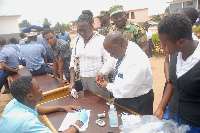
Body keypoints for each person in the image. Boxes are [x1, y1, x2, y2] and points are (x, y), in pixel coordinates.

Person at [153, 13, 200, 132]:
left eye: (164, 45)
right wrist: (160, 108)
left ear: (181, 41)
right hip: (173, 114)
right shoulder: (175, 54)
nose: (163, 49)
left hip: (194, 122)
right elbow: (172, 83)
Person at [0, 76, 88, 133]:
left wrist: (62, 107)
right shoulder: (27, 121)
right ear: (30, 97)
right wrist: (78, 122)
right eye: (38, 88)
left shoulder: (14, 103)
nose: (41, 89)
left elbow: (37, 109)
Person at [95, 31, 154, 115]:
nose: (111, 55)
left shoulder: (136, 59)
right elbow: (112, 60)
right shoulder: (121, 49)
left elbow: (126, 90)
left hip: (137, 102)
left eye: (112, 53)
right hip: (124, 98)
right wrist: (102, 72)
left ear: (121, 45)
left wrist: (107, 86)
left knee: (137, 127)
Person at [68, 10, 110, 98]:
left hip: (98, 80)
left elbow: (109, 61)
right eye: (79, 30)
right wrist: (72, 82)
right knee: (89, 102)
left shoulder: (101, 40)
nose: (82, 33)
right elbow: (73, 61)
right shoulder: (77, 41)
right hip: (83, 79)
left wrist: (101, 73)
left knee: (101, 106)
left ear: (92, 27)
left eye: (84, 30)